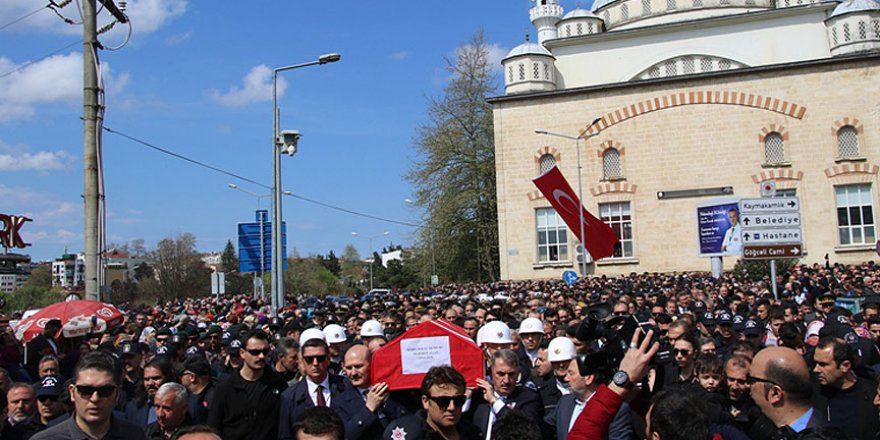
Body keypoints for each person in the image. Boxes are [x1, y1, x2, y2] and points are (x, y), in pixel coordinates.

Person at [31, 351, 147, 440]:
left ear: (117, 394)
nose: (95, 398)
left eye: (105, 391)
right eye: (85, 390)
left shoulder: (134, 435)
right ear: (72, 392)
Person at [277, 330, 357, 440]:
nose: (315, 363)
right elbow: (285, 435)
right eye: (309, 359)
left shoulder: (346, 386)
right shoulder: (290, 397)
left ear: (328, 359)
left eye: (320, 358)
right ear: (302, 361)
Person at [207, 329, 287, 440]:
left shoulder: (279, 385)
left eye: (265, 352)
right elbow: (213, 427)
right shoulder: (225, 388)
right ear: (242, 353)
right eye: (255, 352)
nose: (261, 356)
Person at [543, 353, 633, 440]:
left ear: (588, 378)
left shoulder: (616, 410)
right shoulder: (565, 402)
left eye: (571, 373)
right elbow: (543, 428)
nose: (566, 378)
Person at [383, 366, 482, 439]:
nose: (451, 407)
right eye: (443, 401)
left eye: (458, 401)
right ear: (426, 402)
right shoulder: (409, 434)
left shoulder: (473, 434)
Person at [811, 336, 879, 440]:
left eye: (823, 364)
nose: (816, 369)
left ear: (845, 366)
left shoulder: (873, 393)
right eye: (815, 363)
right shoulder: (813, 394)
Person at [749, 346, 824, 434]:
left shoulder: (821, 435)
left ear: (775, 393)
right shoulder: (770, 431)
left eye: (751, 380)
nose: (747, 385)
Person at [469, 349, 542, 438]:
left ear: (518, 373)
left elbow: (522, 430)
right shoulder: (478, 399)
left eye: (511, 374)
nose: (506, 380)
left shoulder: (529, 398)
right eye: (501, 374)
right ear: (491, 372)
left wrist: (495, 402)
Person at [340, 344, 407, 439]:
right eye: (349, 368)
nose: (353, 373)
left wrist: (386, 404)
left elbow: (408, 419)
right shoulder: (340, 400)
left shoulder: (393, 390)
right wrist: (368, 409)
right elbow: (345, 435)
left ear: (372, 364)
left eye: (358, 366)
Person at [125, 357, 174, 429]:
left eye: (156, 378)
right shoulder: (133, 408)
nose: (150, 383)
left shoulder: (183, 405)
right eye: (147, 379)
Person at [179, 355, 215, 425]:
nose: (180, 378)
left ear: (192, 377)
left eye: (182, 374)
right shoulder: (186, 395)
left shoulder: (213, 398)